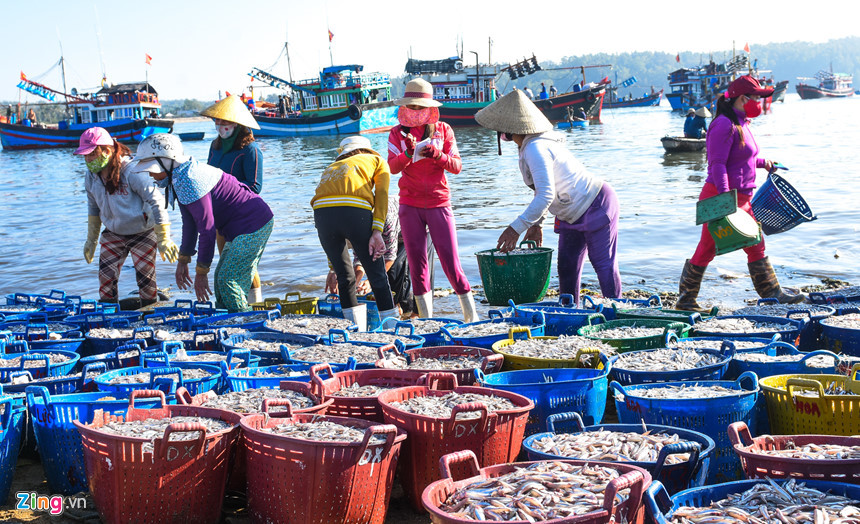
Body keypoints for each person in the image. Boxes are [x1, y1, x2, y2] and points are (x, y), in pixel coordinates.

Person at [476, 90, 621, 306]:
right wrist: (537, 224)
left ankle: (617, 313)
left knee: (603, 265)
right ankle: (569, 313)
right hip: (569, 212)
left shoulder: (536, 147)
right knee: (567, 267)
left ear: (507, 129)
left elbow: (545, 195)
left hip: (596, 204)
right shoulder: (528, 146)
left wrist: (516, 228)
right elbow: (542, 190)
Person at [676, 75, 804, 311]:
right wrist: (727, 201)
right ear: (743, 98)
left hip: (743, 198)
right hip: (720, 197)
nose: (760, 102)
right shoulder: (723, 124)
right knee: (707, 249)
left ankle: (771, 293)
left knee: (756, 242)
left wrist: (764, 163)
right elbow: (717, 165)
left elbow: (744, 158)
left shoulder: (742, 122)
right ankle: (685, 301)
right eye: (757, 97)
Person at [132, 133, 274, 313]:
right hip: (239, 228)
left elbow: (207, 230)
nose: (151, 173)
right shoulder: (179, 177)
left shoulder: (190, 178)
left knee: (229, 280)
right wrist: (183, 260)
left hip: (254, 224)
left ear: (167, 161)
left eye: (152, 168)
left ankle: (244, 319)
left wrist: (201, 272)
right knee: (220, 279)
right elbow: (189, 223)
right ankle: (229, 318)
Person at [387, 78, 478, 322]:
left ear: (429, 107)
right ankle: (427, 320)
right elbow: (393, 168)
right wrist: (408, 153)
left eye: (420, 107)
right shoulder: (396, 133)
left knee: (451, 264)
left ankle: (472, 318)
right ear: (405, 106)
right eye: (412, 106)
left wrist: (437, 156)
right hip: (409, 205)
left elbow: (456, 166)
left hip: (439, 203)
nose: (416, 111)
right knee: (418, 266)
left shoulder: (443, 130)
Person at [76, 127, 178, 308]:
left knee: (145, 279)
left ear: (107, 150)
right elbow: (93, 207)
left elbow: (156, 201)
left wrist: (164, 237)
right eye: (85, 156)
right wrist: (91, 239)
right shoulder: (91, 177)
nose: (87, 160)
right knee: (106, 277)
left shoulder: (132, 171)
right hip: (114, 232)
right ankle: (108, 315)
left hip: (143, 231)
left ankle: (149, 313)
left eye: (91, 154)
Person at [313, 136, 398, 329]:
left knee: (345, 278)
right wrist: (377, 231)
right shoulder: (377, 161)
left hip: (321, 214)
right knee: (377, 277)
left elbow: (326, 202)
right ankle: (392, 330)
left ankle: (353, 332)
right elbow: (382, 196)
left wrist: (332, 267)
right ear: (367, 150)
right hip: (355, 212)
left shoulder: (332, 167)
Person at [200, 95, 265, 304]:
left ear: (237, 124)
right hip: (219, 217)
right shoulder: (215, 146)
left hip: (242, 217)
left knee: (246, 264)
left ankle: (255, 303)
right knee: (226, 263)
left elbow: (255, 187)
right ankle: (232, 302)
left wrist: (229, 192)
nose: (220, 125)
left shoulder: (250, 150)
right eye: (217, 121)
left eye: (224, 121)